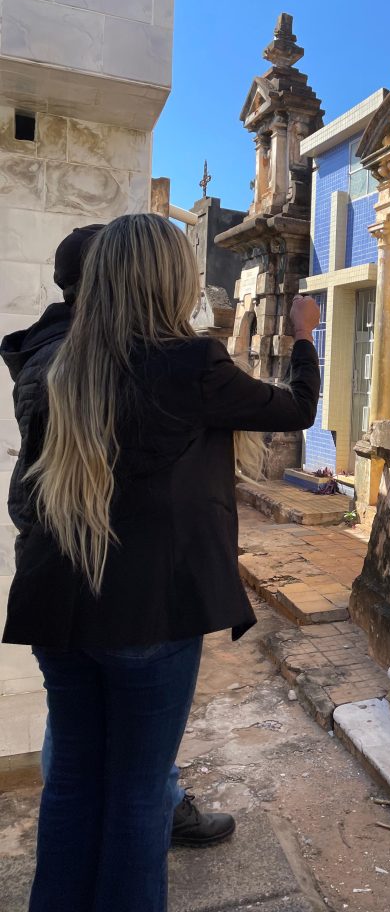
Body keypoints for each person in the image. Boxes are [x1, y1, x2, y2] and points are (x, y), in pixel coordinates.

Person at [1, 213, 321, 912]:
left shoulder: (46, 357)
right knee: (139, 800)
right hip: (149, 615)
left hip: (59, 608)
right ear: (170, 280)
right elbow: (296, 410)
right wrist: (302, 336)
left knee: (73, 788)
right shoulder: (190, 365)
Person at [1, 223, 236, 848]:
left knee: (76, 770)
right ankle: (164, 807)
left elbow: (35, 489)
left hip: (55, 591)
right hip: (134, 602)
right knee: (134, 783)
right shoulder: (138, 363)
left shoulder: (45, 353)